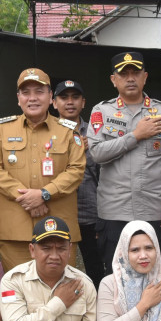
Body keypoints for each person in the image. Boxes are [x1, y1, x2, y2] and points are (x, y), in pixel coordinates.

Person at [86, 51, 161, 284]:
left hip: (155, 211)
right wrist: (136, 135)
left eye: (135, 73)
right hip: (114, 211)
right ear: (114, 80)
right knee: (116, 277)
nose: (130, 78)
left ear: (145, 77)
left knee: (155, 276)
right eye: (124, 73)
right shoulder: (102, 111)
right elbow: (97, 153)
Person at [0, 69, 86, 271]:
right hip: (15, 229)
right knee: (17, 290)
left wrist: (44, 194)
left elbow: (76, 171)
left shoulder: (67, 130)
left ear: (50, 97)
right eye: (26, 92)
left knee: (59, 289)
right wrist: (28, 198)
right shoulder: (3, 129)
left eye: (39, 92)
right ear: (18, 98)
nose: (32, 98)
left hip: (58, 228)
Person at [51, 79, 100, 278]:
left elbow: (105, 175)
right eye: (64, 97)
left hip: (91, 212)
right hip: (59, 211)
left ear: (83, 102)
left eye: (75, 97)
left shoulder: (97, 134)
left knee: (96, 268)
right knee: (58, 267)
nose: (70, 102)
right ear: (54, 103)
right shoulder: (47, 133)